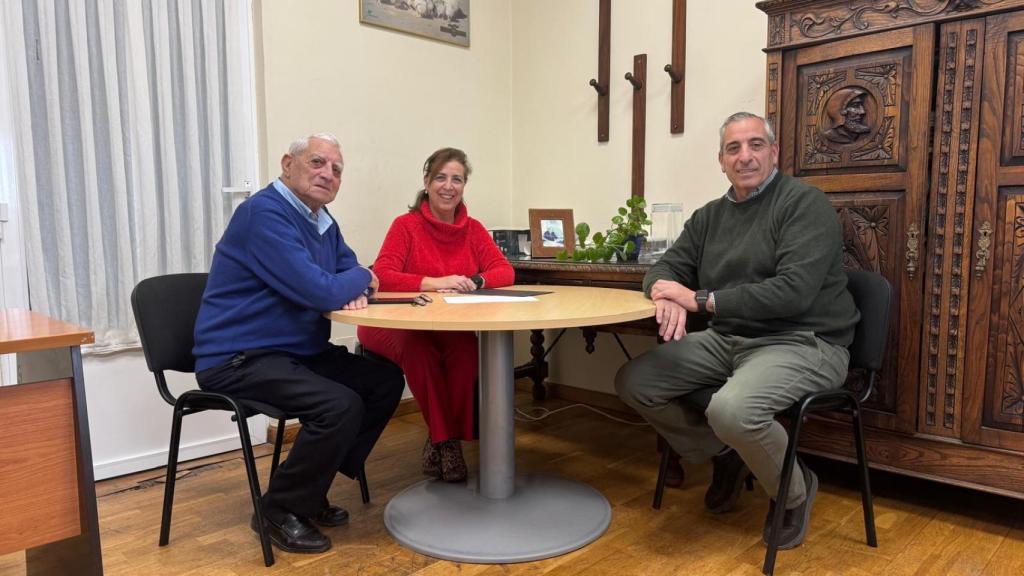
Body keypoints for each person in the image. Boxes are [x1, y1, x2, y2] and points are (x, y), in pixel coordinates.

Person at [615, 112, 858, 550]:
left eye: (755, 145)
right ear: (721, 161)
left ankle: (794, 490)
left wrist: (700, 300)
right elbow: (665, 268)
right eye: (733, 148)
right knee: (636, 381)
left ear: (774, 152)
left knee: (733, 411)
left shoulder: (805, 204)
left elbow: (793, 293)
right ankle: (726, 452)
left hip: (805, 341)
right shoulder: (709, 217)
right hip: (731, 338)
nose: (745, 156)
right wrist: (665, 293)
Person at [192, 133, 405, 554]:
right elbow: (325, 289)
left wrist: (350, 278)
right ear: (288, 165)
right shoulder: (263, 214)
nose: (328, 174)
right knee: (338, 405)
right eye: (317, 162)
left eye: (337, 169)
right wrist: (363, 276)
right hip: (239, 356)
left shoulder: (322, 221)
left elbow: (341, 270)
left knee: (383, 381)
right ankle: (277, 509)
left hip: (295, 352)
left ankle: (310, 486)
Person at [357, 147, 514, 482]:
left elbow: (505, 271)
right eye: (441, 177)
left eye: (457, 179)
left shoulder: (473, 230)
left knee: (468, 352)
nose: (448, 186)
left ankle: (438, 437)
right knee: (420, 351)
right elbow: (383, 275)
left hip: (444, 323)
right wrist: (435, 282)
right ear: (427, 182)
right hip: (392, 322)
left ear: (464, 186)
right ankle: (448, 443)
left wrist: (475, 280)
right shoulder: (406, 226)